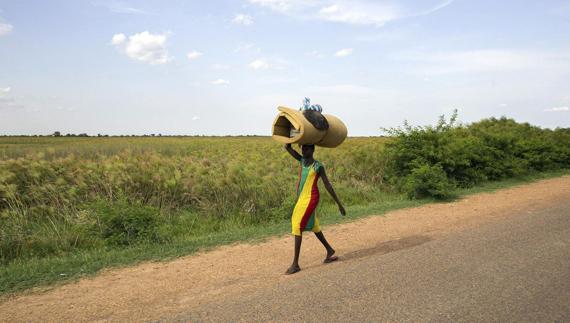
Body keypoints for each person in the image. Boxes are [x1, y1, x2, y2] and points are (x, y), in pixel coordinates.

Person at [284, 143, 346, 275]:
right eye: (302, 148)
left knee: (297, 224)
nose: (303, 150)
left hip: (311, 198)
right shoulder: (301, 160)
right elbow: (288, 148)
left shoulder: (318, 166)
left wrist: (339, 204)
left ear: (312, 150)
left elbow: (328, 185)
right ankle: (329, 250)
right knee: (314, 225)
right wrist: (291, 138)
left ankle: (295, 264)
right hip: (302, 198)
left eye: (306, 149)